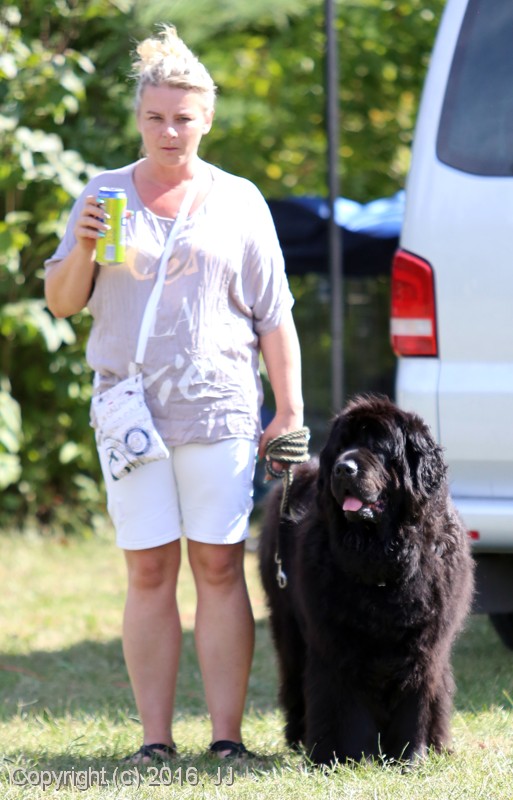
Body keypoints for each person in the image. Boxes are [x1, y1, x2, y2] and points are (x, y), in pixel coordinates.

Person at [44, 25, 304, 763]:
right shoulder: (103, 193)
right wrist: (84, 245)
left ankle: (227, 739)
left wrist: (288, 411)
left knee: (218, 565)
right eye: (155, 117)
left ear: (206, 119)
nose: (168, 132)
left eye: (183, 118)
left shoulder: (240, 200)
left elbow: (274, 315)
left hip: (219, 407)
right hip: (129, 412)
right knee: (149, 568)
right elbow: (62, 301)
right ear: (139, 117)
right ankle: (154, 741)